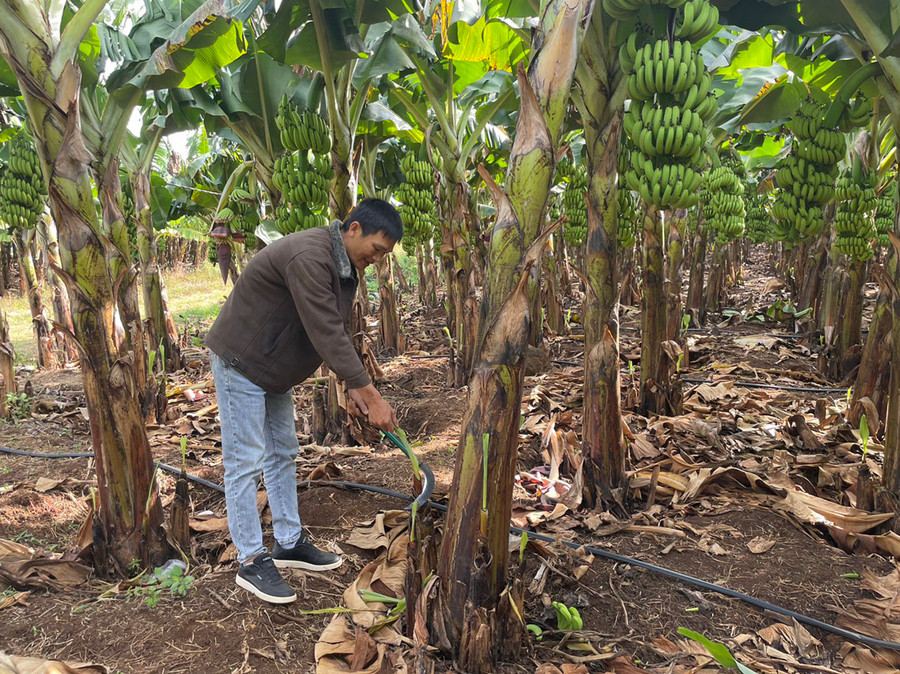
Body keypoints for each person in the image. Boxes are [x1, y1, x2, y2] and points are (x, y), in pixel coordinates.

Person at [206, 198, 402, 604]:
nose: (378, 259)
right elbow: (327, 330)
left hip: (272, 366)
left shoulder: (341, 263)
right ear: (354, 229)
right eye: (377, 249)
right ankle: (251, 558)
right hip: (242, 359)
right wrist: (368, 391)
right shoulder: (310, 256)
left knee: (283, 454)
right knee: (244, 460)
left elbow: (330, 329)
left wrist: (353, 387)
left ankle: (288, 541)